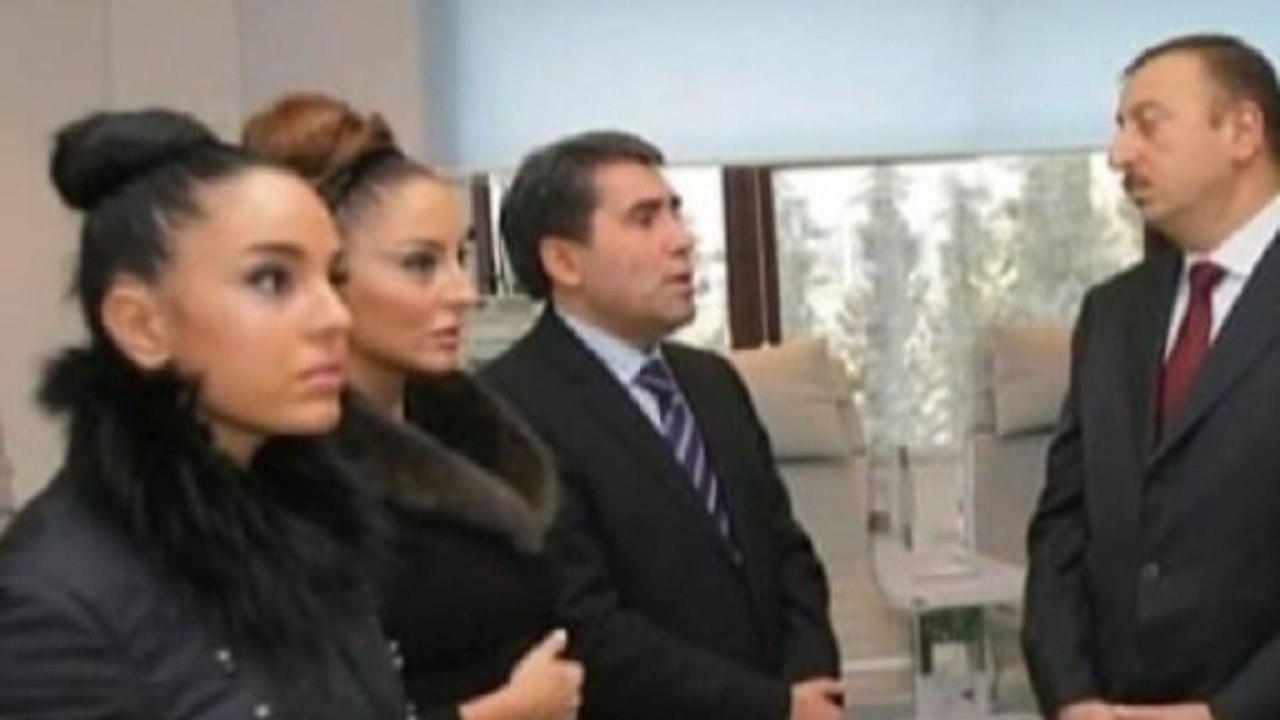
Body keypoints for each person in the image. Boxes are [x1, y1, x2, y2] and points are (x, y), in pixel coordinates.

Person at [0, 109, 406, 718]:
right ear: (141, 326)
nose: (334, 317)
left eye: (333, 278)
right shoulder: (52, 601)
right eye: (271, 280)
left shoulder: (305, 531)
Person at [481, 130, 842, 720]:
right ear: (564, 261)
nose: (682, 240)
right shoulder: (508, 407)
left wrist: (811, 686)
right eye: (645, 219)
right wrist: (772, 707)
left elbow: (787, 556)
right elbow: (584, 624)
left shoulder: (713, 381)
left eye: (675, 212)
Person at [243, 93, 581, 720]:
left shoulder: (471, 431)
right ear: (323, 275)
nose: (463, 292)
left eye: (462, 256)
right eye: (420, 264)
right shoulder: (281, 470)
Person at [1023, 34, 1280, 720]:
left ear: (1243, 131)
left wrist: (1224, 713)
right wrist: (1073, 696)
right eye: (1119, 127)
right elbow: (1062, 528)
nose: (1118, 154)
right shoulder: (1112, 314)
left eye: (1148, 124)